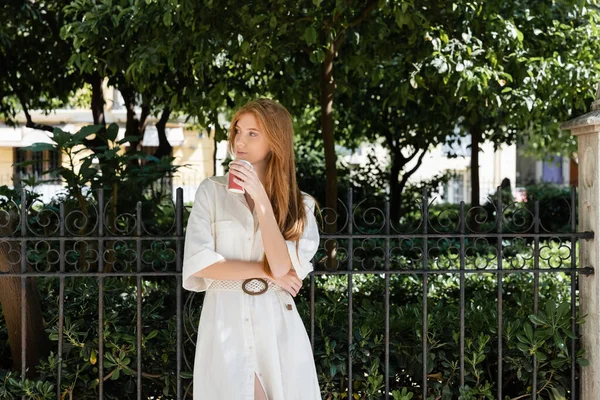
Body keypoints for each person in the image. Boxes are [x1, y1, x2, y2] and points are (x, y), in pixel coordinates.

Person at [182, 98, 322, 400]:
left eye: (252, 133)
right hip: (225, 322)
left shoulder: (302, 206)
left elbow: (285, 269)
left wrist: (261, 200)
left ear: (275, 140)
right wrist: (264, 271)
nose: (239, 141)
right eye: (237, 130)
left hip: (277, 326)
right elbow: (200, 264)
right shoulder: (211, 192)